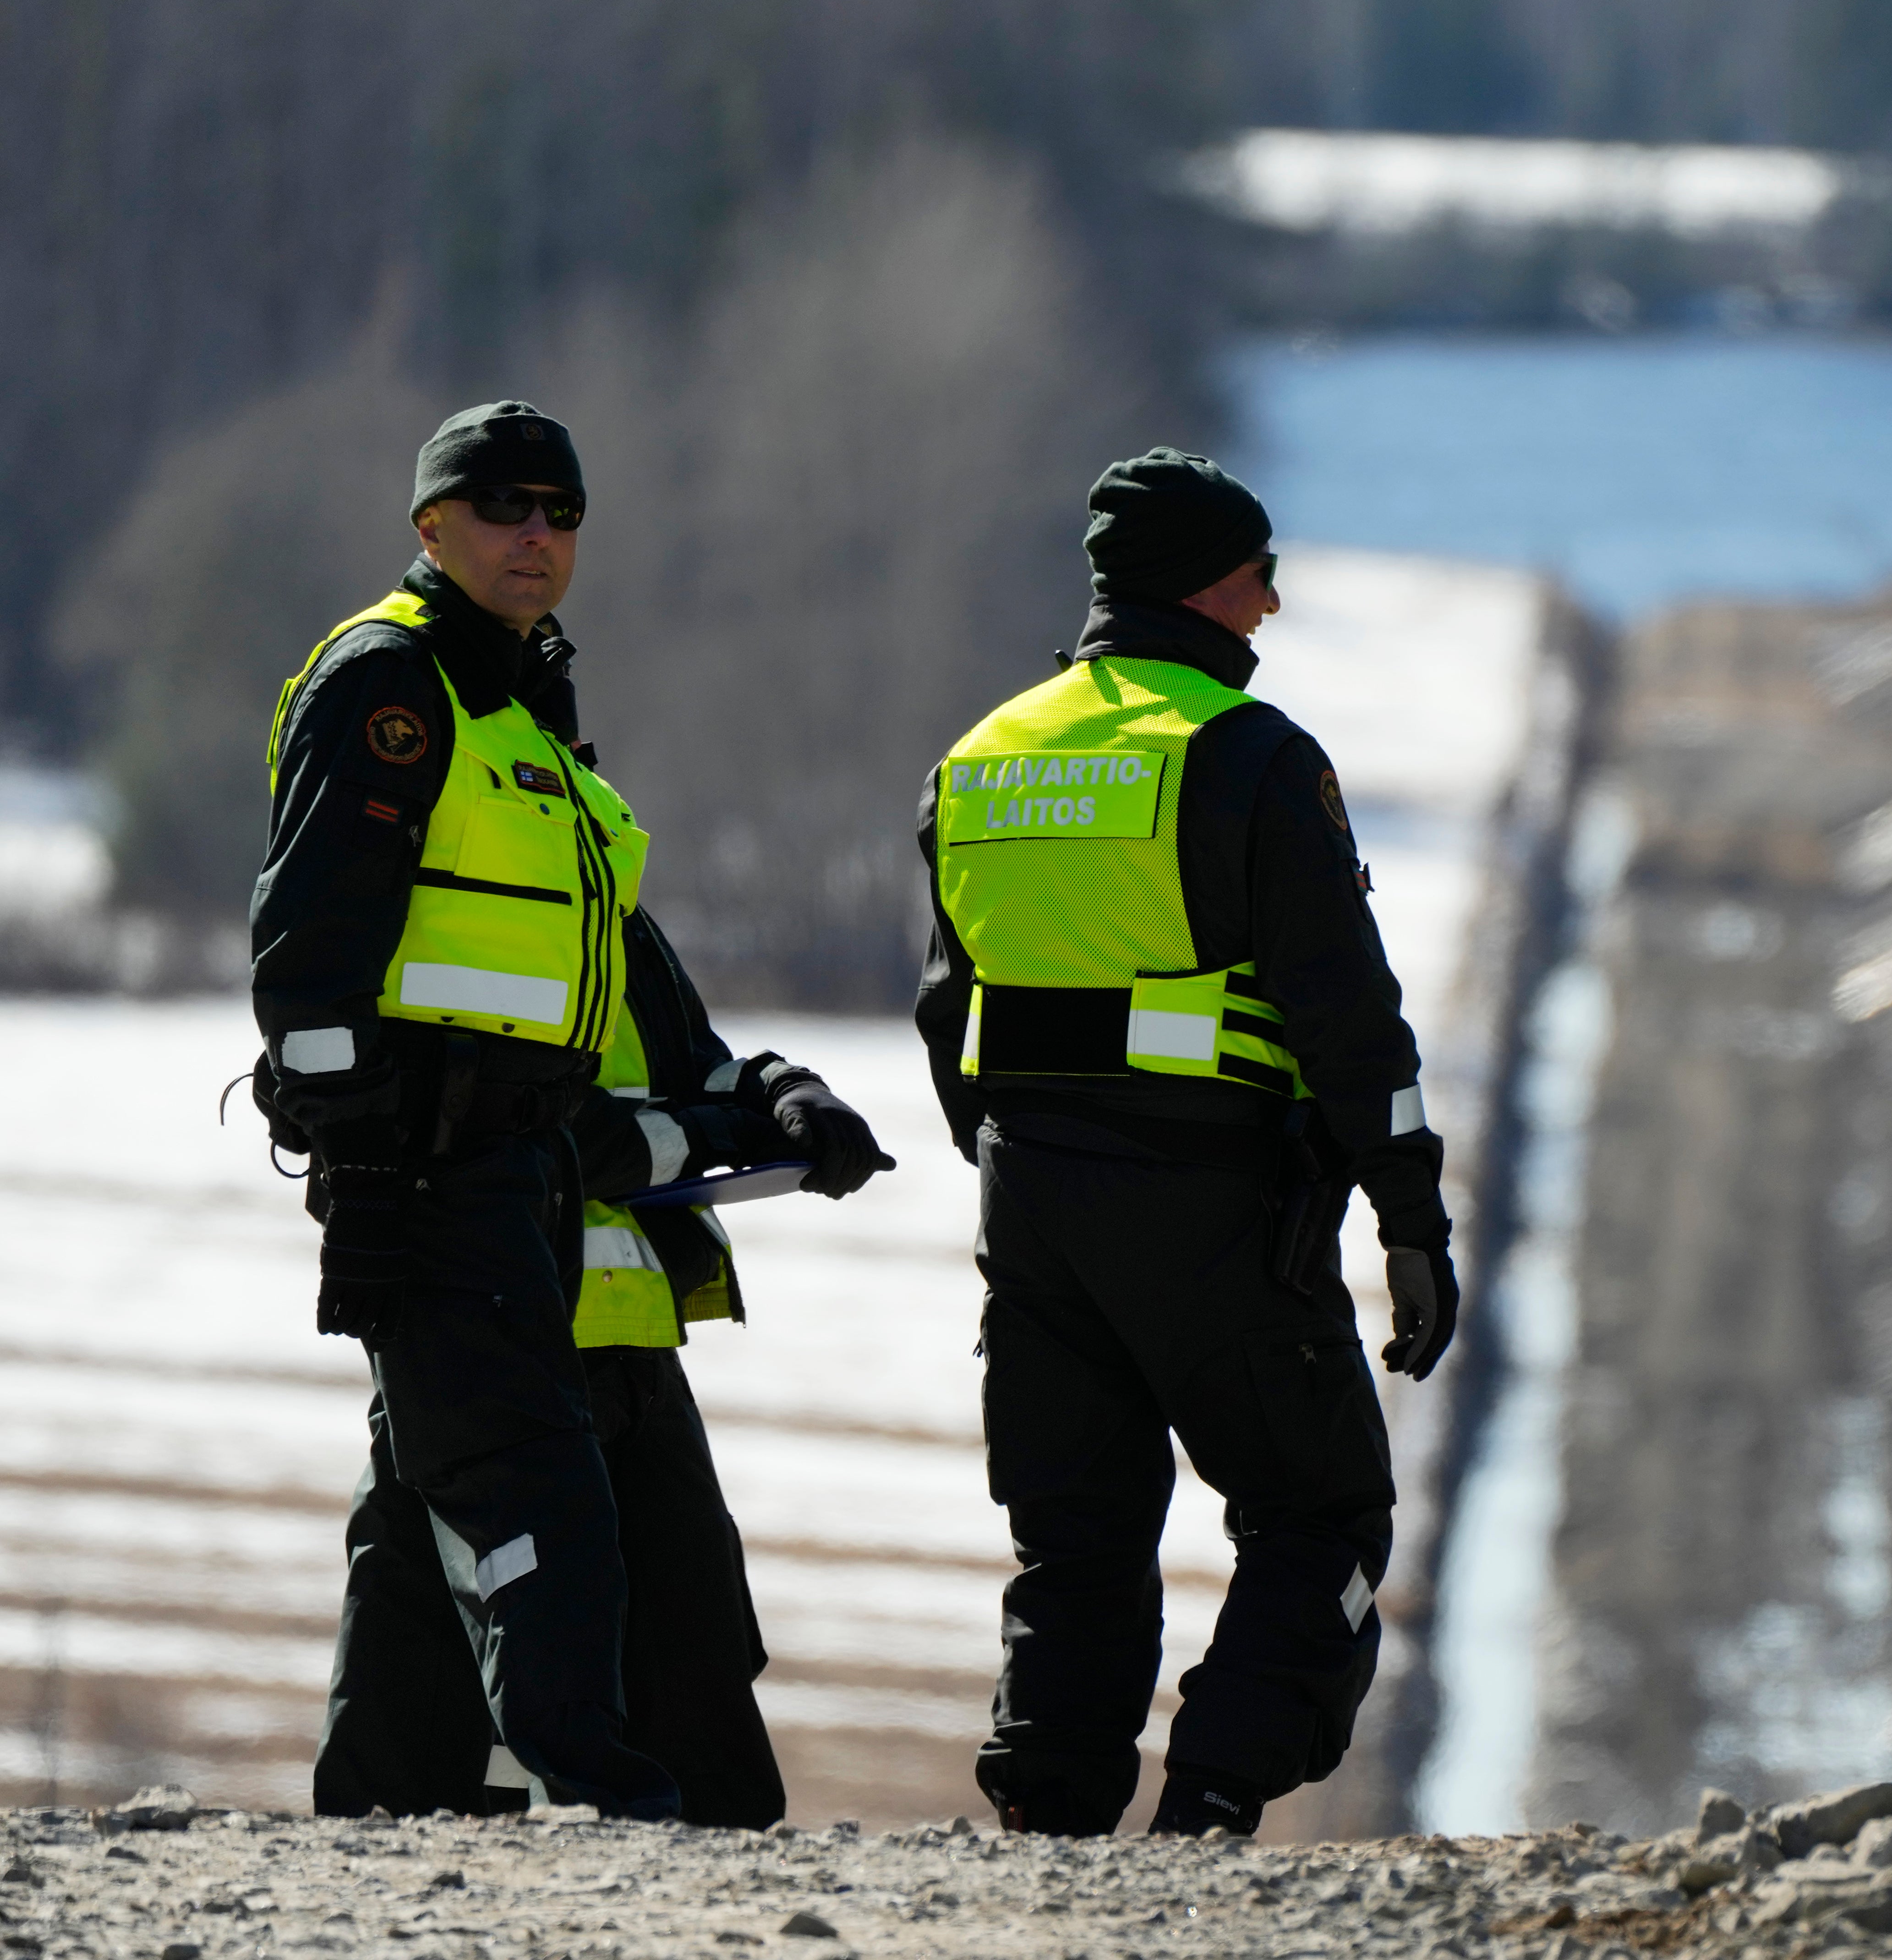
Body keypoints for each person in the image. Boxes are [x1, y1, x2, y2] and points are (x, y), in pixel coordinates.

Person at [255, 401, 885, 1818]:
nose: (537, 536)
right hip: (431, 1177)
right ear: (430, 525)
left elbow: (626, 972)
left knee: (445, 1516)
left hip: (521, 1180)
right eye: (500, 508)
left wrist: (758, 1092)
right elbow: (307, 950)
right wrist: (381, 1137)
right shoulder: (394, 686)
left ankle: (389, 1815)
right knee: (541, 1508)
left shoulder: (528, 718)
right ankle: (617, 1809)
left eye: (562, 512)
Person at [915, 448, 1457, 1840]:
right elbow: (1347, 1013)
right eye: (1259, 572)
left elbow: (943, 1006)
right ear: (1207, 585)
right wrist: (1408, 1214)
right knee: (1320, 1508)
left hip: (1031, 1204)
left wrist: (1014, 1161)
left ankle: (1048, 1812)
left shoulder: (982, 756)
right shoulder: (1250, 758)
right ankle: (1210, 1800)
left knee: (1075, 1532)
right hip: (1215, 1205)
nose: (1273, 604)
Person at [312, 900, 890, 1823]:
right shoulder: (459, 877)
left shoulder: (590, 864)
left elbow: (690, 1055)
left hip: (630, 1340)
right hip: (485, 1328)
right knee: (436, 1684)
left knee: (694, 1686)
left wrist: (784, 1090)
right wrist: (714, 1135)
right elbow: (512, 1119)